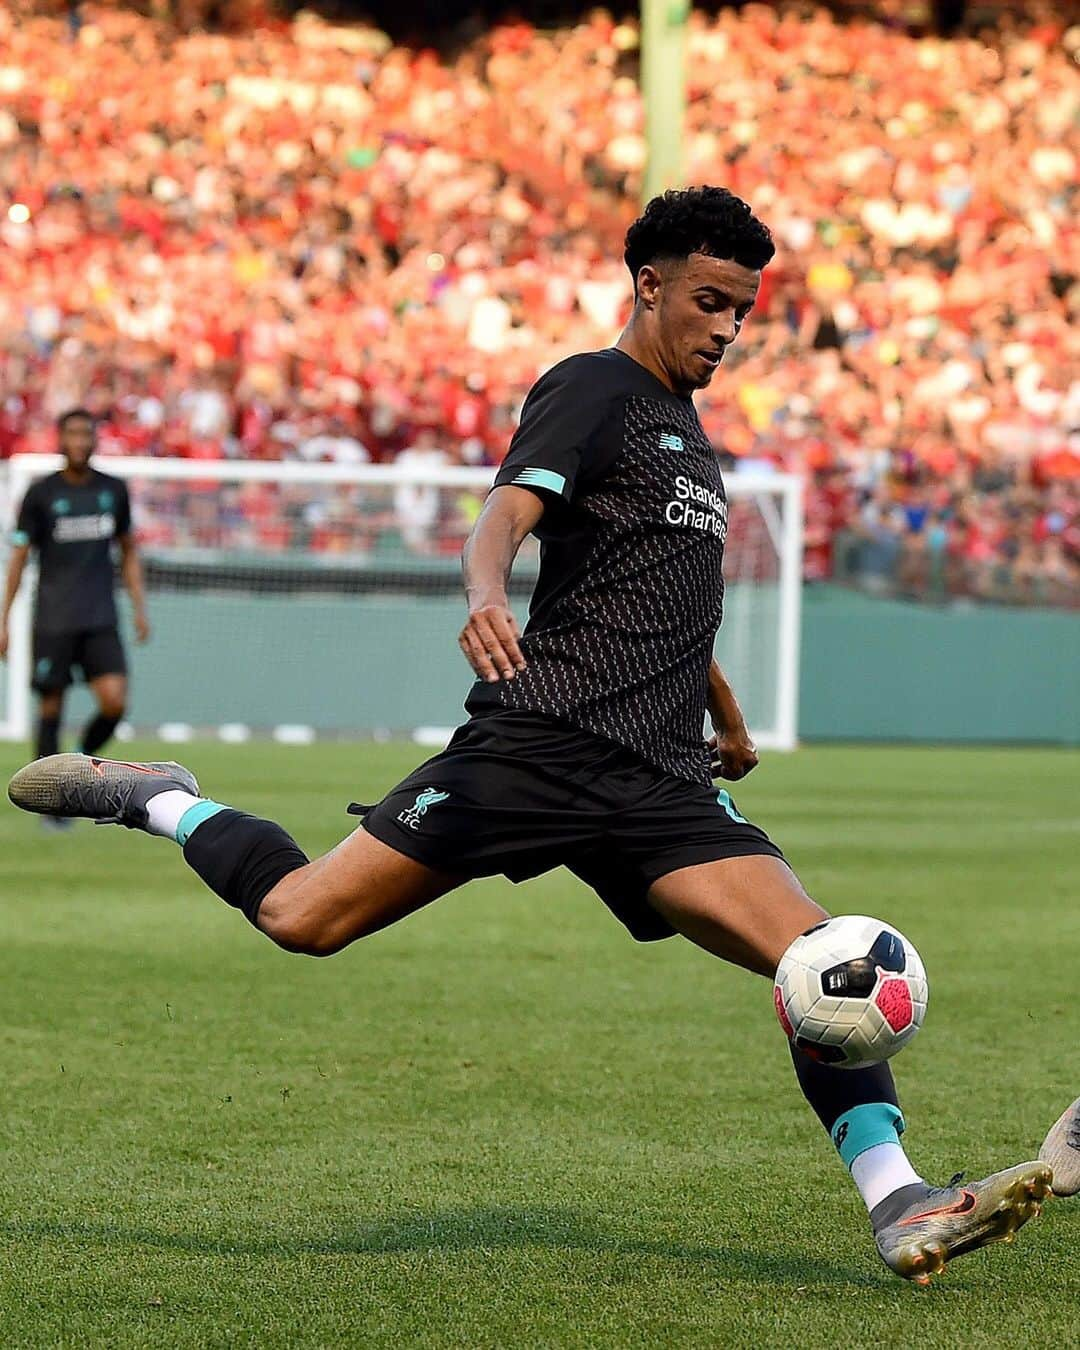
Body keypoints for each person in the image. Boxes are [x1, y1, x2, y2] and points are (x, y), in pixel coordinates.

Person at [7, 189, 1051, 1279]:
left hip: (659, 781)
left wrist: (729, 725)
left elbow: (671, 605)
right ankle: (159, 795)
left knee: (816, 963)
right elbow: (505, 512)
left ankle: (900, 1202)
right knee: (302, 917)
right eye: (709, 302)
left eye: (742, 311)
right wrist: (484, 591)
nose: (726, 330)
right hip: (539, 744)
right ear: (649, 285)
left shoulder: (695, 443)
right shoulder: (590, 389)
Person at [1, 408, 150, 827]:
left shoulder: (113, 490)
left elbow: (129, 549)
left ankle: (82, 761)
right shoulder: (41, 493)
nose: (81, 441)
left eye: (88, 433)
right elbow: (18, 557)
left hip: (100, 616)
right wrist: (4, 619)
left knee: (115, 702)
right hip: (53, 617)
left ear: (96, 439)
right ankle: (50, 803)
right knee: (51, 704)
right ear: (60, 440)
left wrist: (140, 607)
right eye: (73, 434)